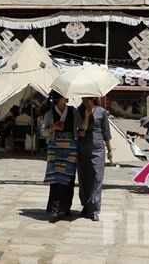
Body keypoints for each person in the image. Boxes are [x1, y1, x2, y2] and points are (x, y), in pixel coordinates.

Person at [41, 90, 80, 223]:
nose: (67, 97)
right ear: (58, 99)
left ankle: (66, 206)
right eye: (64, 96)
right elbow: (43, 132)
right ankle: (55, 206)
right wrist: (53, 128)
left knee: (69, 178)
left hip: (70, 149)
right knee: (56, 178)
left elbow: (80, 127)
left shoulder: (73, 111)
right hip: (55, 149)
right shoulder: (49, 113)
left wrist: (86, 117)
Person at [76, 96, 112, 221]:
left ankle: (94, 208)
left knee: (97, 176)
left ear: (93, 98)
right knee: (84, 177)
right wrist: (86, 117)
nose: (86, 102)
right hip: (83, 147)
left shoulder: (101, 111)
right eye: (84, 99)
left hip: (98, 148)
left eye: (89, 99)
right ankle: (86, 205)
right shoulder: (78, 111)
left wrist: (110, 150)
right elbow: (79, 132)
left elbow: (106, 132)